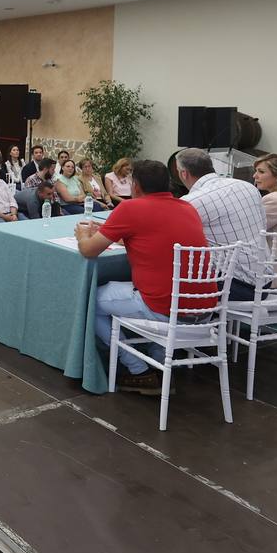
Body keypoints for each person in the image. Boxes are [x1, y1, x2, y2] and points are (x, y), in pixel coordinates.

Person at [74, 159, 210, 394]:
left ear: (135, 186)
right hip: (203, 310)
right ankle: (157, 362)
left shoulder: (130, 208)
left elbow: (88, 251)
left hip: (164, 307)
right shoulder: (187, 208)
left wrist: (82, 236)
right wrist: (111, 232)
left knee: (89, 300)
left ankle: (139, 370)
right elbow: (149, 235)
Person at [176, 147, 267, 301]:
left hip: (237, 285)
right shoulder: (248, 187)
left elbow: (169, 239)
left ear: (184, 173)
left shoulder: (190, 202)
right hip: (265, 279)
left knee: (170, 269)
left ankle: (189, 320)